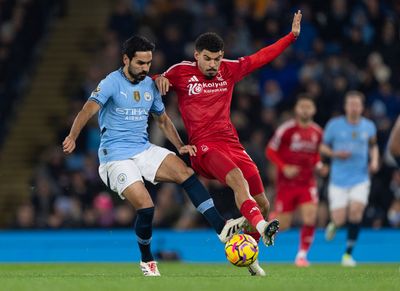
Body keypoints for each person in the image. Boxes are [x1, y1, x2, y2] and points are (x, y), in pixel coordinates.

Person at [62, 35, 245, 276]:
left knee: (186, 173)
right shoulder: (110, 83)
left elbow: (162, 119)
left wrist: (179, 145)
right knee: (147, 206)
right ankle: (147, 258)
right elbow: (87, 109)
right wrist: (73, 136)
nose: (145, 69)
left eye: (148, 64)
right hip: (115, 157)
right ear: (126, 59)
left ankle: (221, 227)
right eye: (140, 63)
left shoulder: (149, 85)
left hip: (143, 149)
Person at [155, 10, 303, 276]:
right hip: (203, 147)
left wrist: (290, 37)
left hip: (231, 144)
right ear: (197, 55)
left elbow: (261, 57)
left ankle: (250, 257)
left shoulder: (229, 70)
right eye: (208, 59)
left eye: (217, 58)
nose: (213, 64)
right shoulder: (180, 72)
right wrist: (159, 79)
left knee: (263, 203)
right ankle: (261, 228)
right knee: (237, 179)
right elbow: (152, 80)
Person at [320, 91, 379, 267]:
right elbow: (322, 147)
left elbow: (373, 145)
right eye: (350, 104)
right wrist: (335, 154)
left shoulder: (369, 126)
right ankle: (334, 224)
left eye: (357, 104)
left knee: (356, 211)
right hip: (338, 179)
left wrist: (374, 161)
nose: (354, 107)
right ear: (346, 107)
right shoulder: (334, 125)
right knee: (340, 219)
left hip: (360, 177)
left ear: (361, 107)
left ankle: (347, 255)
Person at [265, 95, 324, 267]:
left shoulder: (317, 132)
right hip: (286, 184)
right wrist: (284, 167)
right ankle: (269, 222)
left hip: (307, 182)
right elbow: (270, 150)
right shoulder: (286, 130)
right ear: (296, 110)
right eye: (302, 106)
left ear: (314, 110)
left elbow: (315, 155)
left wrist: (319, 165)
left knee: (310, 217)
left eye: (308, 106)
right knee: (283, 225)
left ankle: (302, 256)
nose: (305, 110)